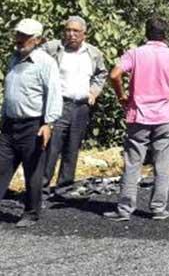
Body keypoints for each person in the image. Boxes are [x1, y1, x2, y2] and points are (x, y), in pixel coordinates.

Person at [103, 18, 169, 221]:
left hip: (139, 115)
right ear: (166, 35)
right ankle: (158, 208)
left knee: (132, 163)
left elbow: (114, 75)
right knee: (162, 164)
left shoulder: (135, 54)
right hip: (165, 115)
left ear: (146, 33)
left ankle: (124, 209)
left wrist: (122, 96)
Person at [0, 18, 62, 227]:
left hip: (33, 125)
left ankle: (31, 213)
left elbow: (53, 93)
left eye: (25, 36)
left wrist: (49, 123)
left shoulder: (45, 62)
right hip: (9, 125)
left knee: (33, 170)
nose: (20, 39)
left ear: (37, 40)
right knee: (2, 167)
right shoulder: (13, 59)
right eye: (18, 34)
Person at [42, 16, 107, 200]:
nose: (71, 34)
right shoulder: (53, 48)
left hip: (81, 107)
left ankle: (63, 187)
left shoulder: (93, 53)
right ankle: (42, 189)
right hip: (59, 105)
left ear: (84, 34)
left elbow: (101, 74)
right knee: (51, 148)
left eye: (76, 31)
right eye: (68, 30)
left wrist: (94, 92)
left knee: (72, 147)